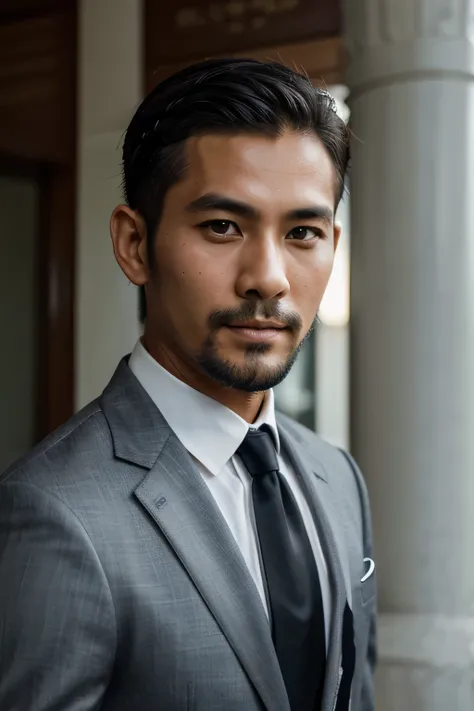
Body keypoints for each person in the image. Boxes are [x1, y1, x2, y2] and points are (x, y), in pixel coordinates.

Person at [0, 59, 376, 711]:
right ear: (134, 244)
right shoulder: (51, 513)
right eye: (223, 227)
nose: (268, 277)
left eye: (302, 233)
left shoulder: (336, 476)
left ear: (333, 245)